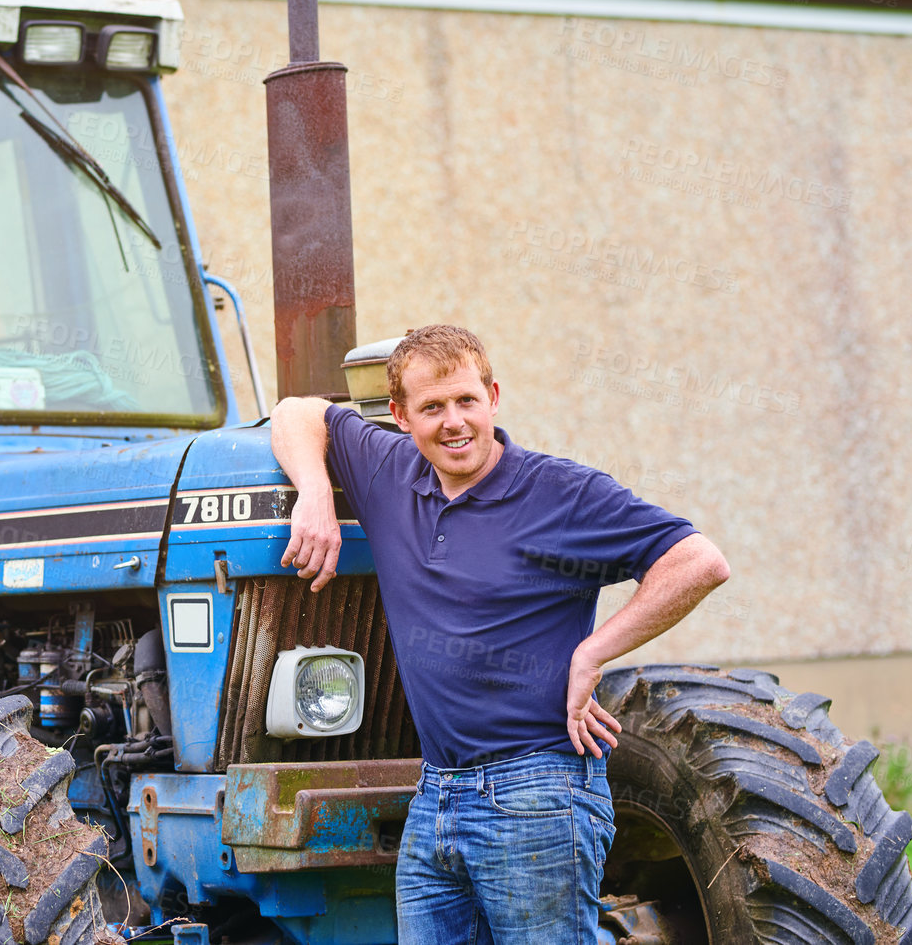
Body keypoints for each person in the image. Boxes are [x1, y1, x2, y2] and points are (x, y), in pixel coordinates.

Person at [270, 324, 731, 945]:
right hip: (434, 794)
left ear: (493, 397)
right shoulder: (387, 471)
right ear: (401, 416)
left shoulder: (562, 494)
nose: (454, 421)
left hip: (537, 793)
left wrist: (594, 652)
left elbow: (698, 561)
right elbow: (298, 411)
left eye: (466, 401)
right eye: (432, 407)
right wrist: (316, 494)